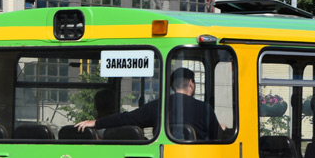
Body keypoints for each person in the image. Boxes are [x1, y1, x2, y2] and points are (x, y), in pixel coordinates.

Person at [75, 67, 224, 140]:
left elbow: (126, 118)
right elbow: (218, 137)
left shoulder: (157, 106)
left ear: (172, 86)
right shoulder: (204, 109)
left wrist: (96, 122)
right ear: (191, 84)